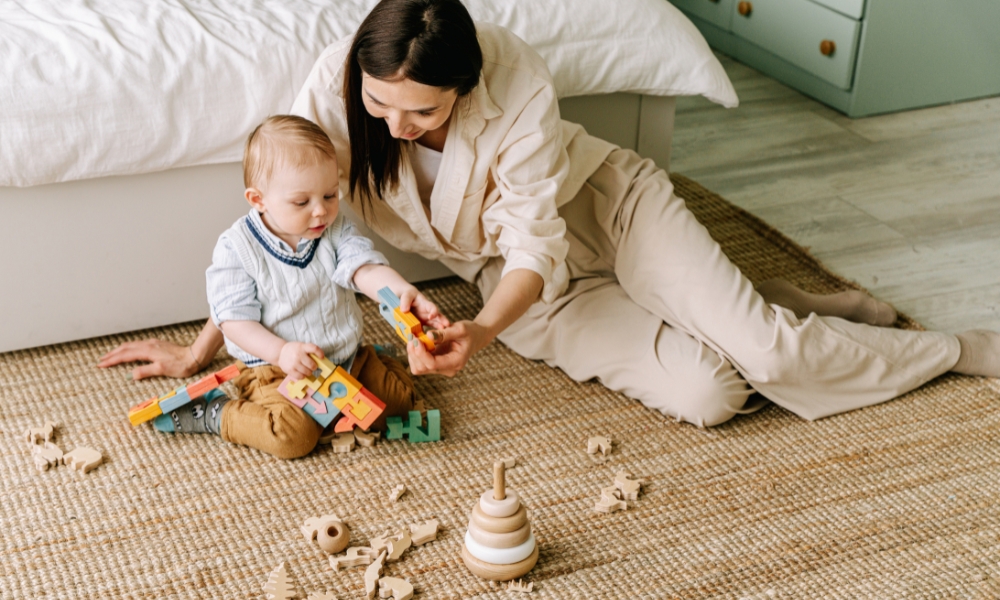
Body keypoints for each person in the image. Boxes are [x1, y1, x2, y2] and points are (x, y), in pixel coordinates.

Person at [100, 0, 1000, 428]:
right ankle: (779, 307)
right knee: (713, 394)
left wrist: (482, 332)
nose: (395, 126)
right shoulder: (339, 89)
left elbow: (537, 235)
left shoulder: (516, 75)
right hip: (516, 280)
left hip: (604, 213)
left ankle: (955, 351)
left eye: (422, 112)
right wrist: (200, 351)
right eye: (380, 105)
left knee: (769, 356)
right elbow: (280, 242)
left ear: (465, 85)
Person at [148, 114, 448, 459]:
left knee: (398, 405)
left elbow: (363, 268)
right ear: (258, 199)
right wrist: (280, 353)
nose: (321, 211)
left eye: (330, 194)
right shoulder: (237, 248)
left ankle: (378, 359)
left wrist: (402, 291)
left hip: (344, 359)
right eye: (302, 202)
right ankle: (218, 414)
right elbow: (232, 320)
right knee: (292, 437)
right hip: (273, 368)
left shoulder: (335, 231)